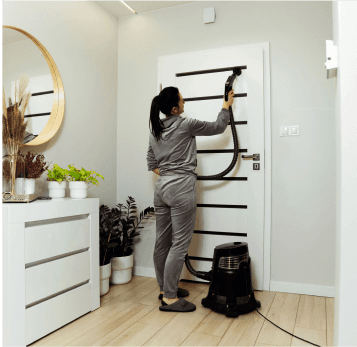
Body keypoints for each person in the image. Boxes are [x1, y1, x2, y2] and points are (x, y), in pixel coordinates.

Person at [146, 86, 235, 312]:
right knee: (180, 243)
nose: (185, 104)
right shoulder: (185, 124)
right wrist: (225, 107)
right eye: (182, 102)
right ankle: (170, 298)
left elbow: (151, 164)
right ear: (175, 109)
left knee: (162, 242)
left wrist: (169, 173)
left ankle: (165, 288)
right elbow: (218, 127)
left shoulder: (155, 130)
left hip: (162, 188)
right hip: (181, 188)